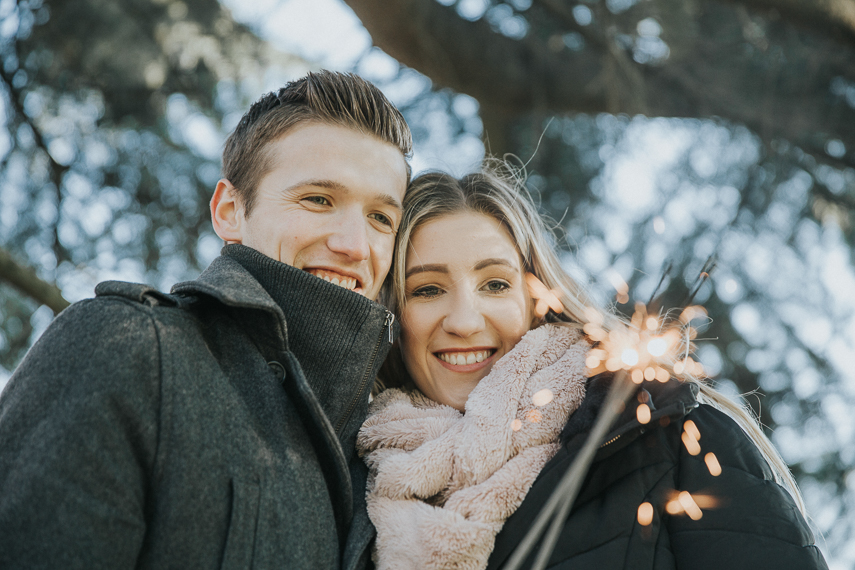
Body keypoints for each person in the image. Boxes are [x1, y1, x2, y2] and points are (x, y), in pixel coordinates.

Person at [0, 70, 411, 570]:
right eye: (318, 200)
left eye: (381, 219)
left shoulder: (392, 451)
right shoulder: (129, 349)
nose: (353, 244)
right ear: (229, 211)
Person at [357, 163, 828, 569]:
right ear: (394, 317)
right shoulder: (356, 483)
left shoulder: (666, 431)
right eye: (426, 289)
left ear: (537, 299)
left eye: (496, 284)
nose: (462, 320)